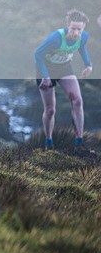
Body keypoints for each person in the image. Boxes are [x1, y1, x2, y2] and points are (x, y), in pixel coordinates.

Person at [35, 9, 93, 152]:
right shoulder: (56, 38)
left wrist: (88, 64)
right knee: (50, 110)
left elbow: (81, 48)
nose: (76, 33)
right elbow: (38, 54)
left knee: (78, 100)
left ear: (83, 28)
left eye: (79, 29)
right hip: (45, 70)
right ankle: (49, 142)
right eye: (73, 29)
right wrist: (45, 76)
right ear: (67, 25)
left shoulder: (83, 36)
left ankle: (79, 143)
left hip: (64, 68)